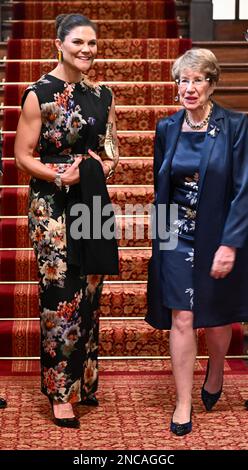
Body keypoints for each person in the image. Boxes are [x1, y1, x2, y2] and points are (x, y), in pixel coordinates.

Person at [14, 13, 119, 428]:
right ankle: (60, 391)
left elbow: (112, 148)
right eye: (78, 42)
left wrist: (102, 167)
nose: (87, 50)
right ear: (59, 43)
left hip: (92, 198)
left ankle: (86, 381)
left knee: (92, 287)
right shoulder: (37, 94)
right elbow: (23, 156)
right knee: (61, 294)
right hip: (53, 205)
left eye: (92, 43)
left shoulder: (104, 94)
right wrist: (61, 175)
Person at [146, 48, 248, 436]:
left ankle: (217, 368)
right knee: (182, 316)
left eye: (198, 80)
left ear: (212, 83)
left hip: (217, 235)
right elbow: (162, 187)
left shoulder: (235, 127)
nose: (190, 88)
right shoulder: (166, 128)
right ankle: (183, 401)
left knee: (218, 316)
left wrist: (231, 243)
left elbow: (243, 189)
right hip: (176, 235)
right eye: (183, 80)